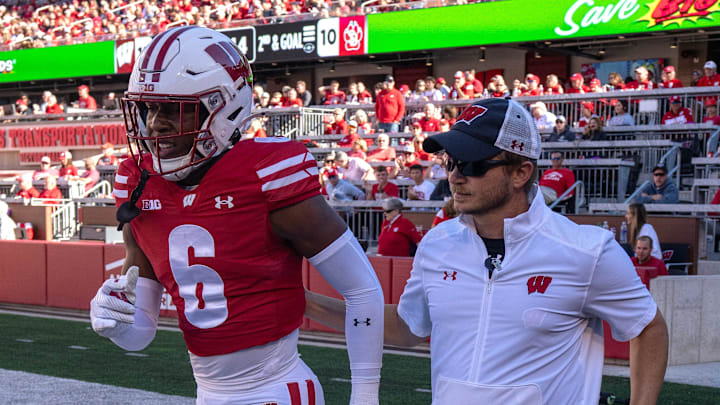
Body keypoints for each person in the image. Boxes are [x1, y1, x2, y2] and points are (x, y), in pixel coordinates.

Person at [89, 27, 383, 405]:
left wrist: (365, 395)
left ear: (223, 108)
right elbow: (141, 333)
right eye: (150, 107)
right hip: (208, 395)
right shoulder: (138, 183)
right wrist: (115, 323)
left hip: (277, 390)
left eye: (175, 109)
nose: (155, 124)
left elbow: (362, 291)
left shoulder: (266, 174)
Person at [305, 97, 668, 404]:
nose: (455, 176)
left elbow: (648, 327)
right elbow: (404, 327)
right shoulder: (437, 244)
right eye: (451, 162)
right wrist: (303, 302)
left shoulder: (587, 251)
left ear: (520, 172)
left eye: (473, 164)